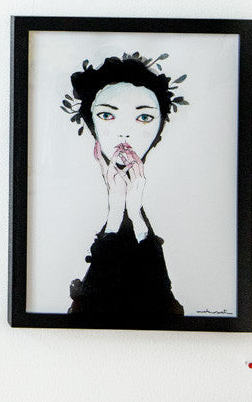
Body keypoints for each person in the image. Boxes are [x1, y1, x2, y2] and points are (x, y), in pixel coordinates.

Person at [60, 53, 187, 325]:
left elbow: (165, 312)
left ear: (159, 128)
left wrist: (135, 213)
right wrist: (116, 211)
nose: (125, 133)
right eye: (107, 115)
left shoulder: (179, 195)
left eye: (144, 117)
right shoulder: (68, 191)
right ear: (91, 125)